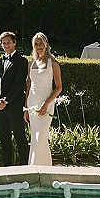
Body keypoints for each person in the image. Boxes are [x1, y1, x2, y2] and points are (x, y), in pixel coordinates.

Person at [25, 32, 63, 165]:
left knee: (41, 136)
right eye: (36, 44)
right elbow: (29, 87)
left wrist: (46, 103)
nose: (39, 46)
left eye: (41, 43)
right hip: (32, 103)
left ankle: (44, 167)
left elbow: (59, 87)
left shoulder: (54, 64)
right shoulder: (31, 64)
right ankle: (34, 167)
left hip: (46, 102)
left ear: (46, 44)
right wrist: (25, 108)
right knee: (35, 137)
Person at [0, 30, 29, 166]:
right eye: (4, 43)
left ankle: (25, 166)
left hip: (14, 105)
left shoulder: (22, 61)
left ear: (14, 43)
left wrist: (6, 100)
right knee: (4, 138)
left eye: (8, 42)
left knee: (20, 137)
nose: (6, 45)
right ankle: (7, 168)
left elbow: (19, 84)